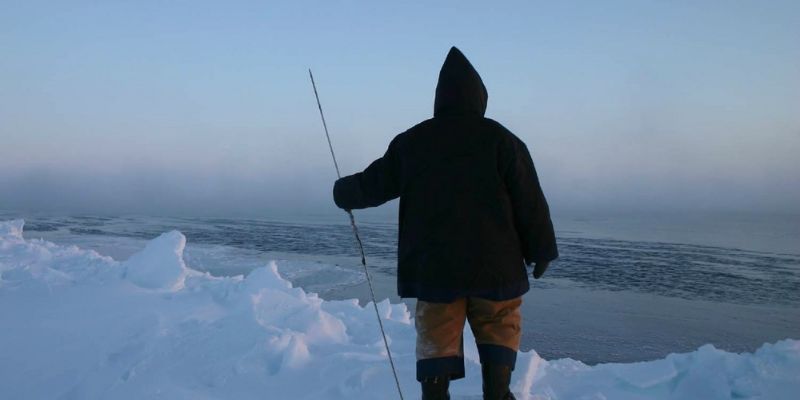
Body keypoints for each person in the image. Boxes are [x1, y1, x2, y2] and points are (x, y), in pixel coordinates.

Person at [332, 46, 558, 400]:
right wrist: (541, 249)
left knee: (437, 334)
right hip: (496, 268)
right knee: (499, 325)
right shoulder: (502, 140)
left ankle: (435, 394)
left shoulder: (413, 141)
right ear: (480, 98)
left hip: (435, 269)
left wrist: (343, 192)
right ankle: (497, 392)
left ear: (440, 97)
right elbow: (530, 201)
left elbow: (374, 183)